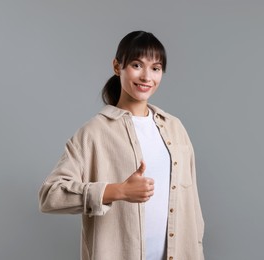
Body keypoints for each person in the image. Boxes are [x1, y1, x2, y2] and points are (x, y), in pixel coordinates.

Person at [38, 31, 204, 260]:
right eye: (137, 65)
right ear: (117, 66)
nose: (147, 76)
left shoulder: (175, 128)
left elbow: (193, 210)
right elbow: (49, 195)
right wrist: (118, 191)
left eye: (155, 68)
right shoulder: (94, 132)